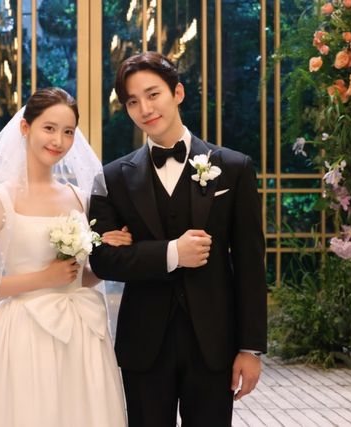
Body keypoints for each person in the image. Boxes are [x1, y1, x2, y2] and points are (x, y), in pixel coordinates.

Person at [0, 88, 130, 427]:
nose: (59, 140)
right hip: (24, 334)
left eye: (68, 132)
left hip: (81, 333)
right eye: (49, 128)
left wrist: (108, 256)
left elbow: (77, 277)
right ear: (25, 128)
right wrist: (43, 279)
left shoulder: (79, 198)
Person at [89, 52, 267, 426]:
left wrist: (250, 348)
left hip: (214, 344)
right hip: (144, 345)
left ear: (178, 93)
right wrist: (171, 253)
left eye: (153, 94)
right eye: (133, 102)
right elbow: (103, 260)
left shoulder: (233, 168)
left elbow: (250, 263)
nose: (145, 109)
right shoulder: (112, 178)